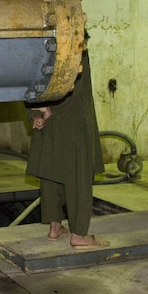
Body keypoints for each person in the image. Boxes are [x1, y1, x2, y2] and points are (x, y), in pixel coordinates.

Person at [27, 43, 106, 248]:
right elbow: (76, 88)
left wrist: (37, 113)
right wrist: (51, 111)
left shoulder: (44, 49)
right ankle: (79, 234)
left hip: (48, 122)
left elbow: (30, 84)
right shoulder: (76, 50)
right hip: (72, 123)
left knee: (52, 173)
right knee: (78, 179)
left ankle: (55, 228)